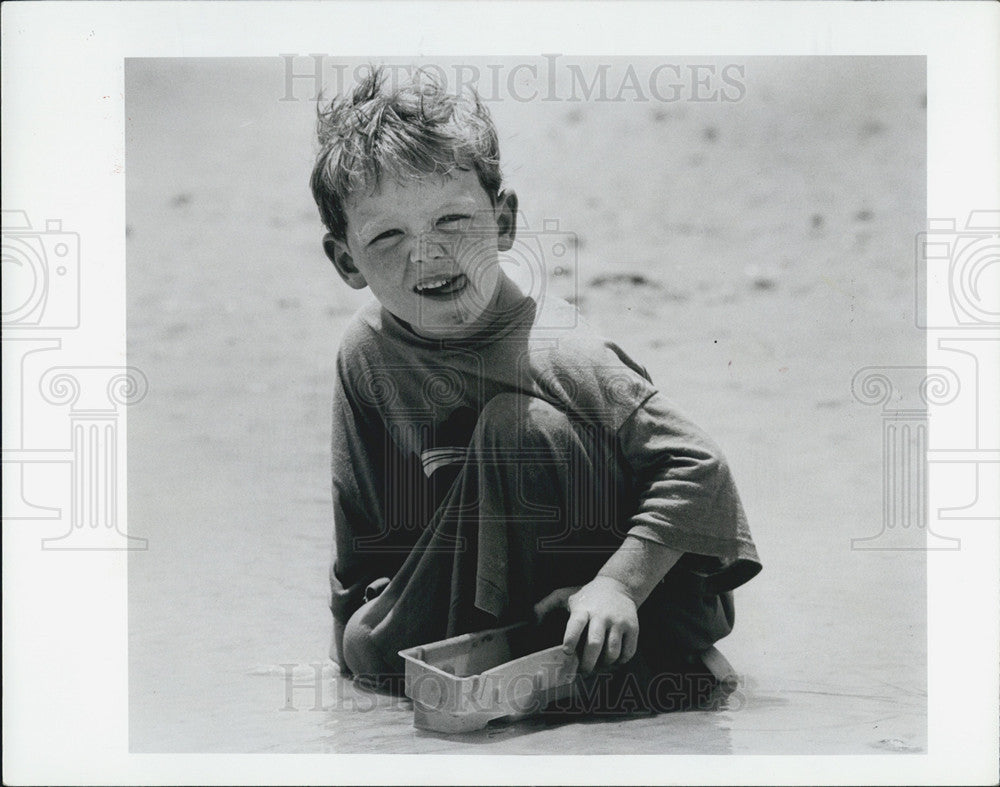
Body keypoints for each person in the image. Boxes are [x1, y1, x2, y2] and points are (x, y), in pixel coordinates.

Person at [310, 65, 761, 712]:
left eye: (452, 222)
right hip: (479, 583)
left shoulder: (558, 352)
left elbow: (700, 465)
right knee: (366, 648)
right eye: (387, 235)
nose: (428, 255)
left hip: (616, 591)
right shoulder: (367, 351)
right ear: (347, 260)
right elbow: (362, 528)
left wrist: (618, 586)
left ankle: (634, 657)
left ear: (503, 223)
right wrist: (351, 659)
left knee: (519, 426)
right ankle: (513, 654)